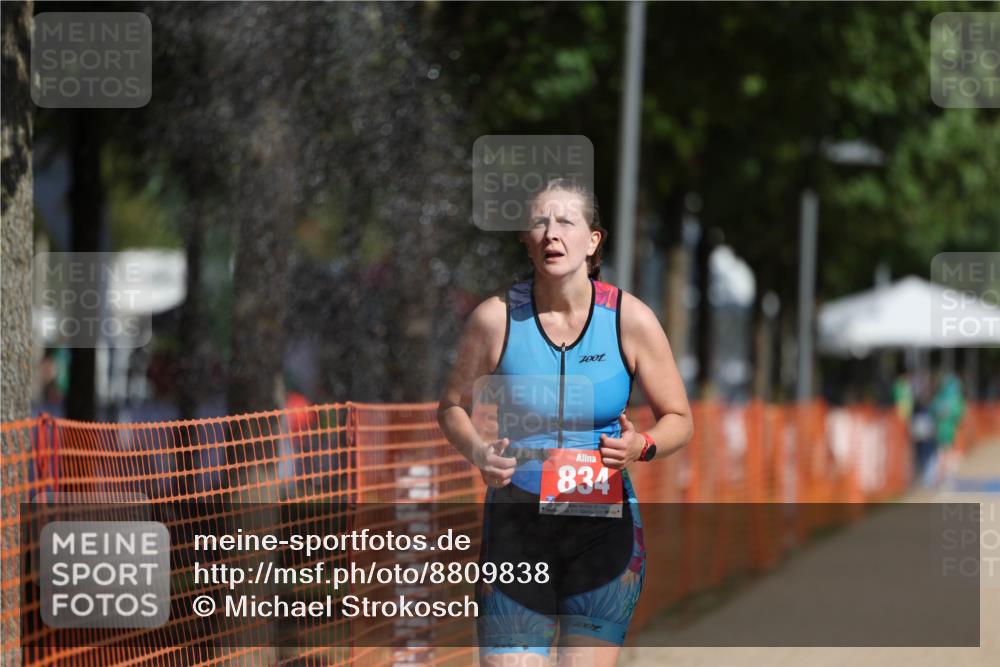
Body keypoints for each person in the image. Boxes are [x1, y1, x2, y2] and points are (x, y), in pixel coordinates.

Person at [437, 179, 693, 666]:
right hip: (517, 530)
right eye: (539, 222)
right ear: (525, 239)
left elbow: (680, 419)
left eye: (565, 222)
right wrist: (477, 451)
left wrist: (643, 445)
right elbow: (450, 406)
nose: (551, 233)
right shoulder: (494, 320)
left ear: (593, 240)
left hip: (602, 537)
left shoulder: (630, 319)